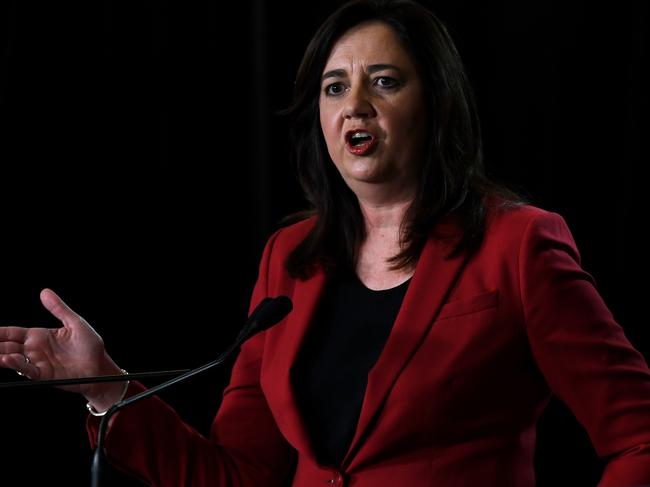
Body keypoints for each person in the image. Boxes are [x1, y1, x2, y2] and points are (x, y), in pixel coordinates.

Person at [1, 0, 650, 485]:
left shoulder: (518, 245)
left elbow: (638, 436)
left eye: (386, 81)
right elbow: (242, 475)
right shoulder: (288, 260)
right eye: (335, 87)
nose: (355, 105)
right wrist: (111, 387)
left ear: (437, 103)